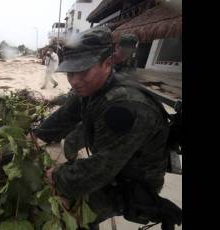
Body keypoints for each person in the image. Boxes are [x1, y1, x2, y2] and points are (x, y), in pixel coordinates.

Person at [32, 27, 181, 230]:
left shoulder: (123, 109)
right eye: (70, 72)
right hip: (114, 162)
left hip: (132, 181)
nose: (74, 81)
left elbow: (99, 170)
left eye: (83, 71)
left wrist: (56, 177)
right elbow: (64, 116)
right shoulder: (92, 86)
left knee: (69, 213)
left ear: (108, 64)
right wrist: (35, 134)